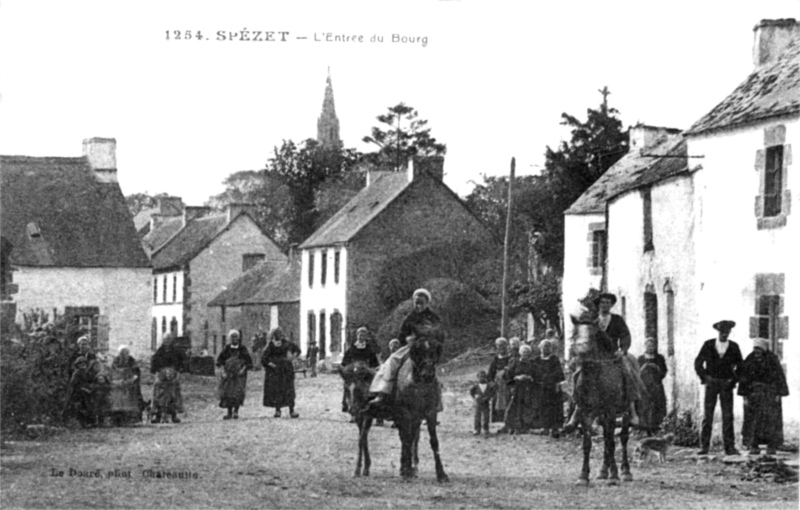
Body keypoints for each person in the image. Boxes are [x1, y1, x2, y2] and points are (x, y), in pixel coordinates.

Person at [564, 292, 643, 431]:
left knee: (628, 371)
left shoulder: (617, 319)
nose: (605, 305)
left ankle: (632, 411)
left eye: (608, 303)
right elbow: (584, 336)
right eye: (602, 303)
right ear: (598, 305)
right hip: (595, 355)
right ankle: (576, 410)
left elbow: (625, 335)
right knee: (578, 375)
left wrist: (622, 350)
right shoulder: (592, 320)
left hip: (613, 355)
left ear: (611, 305)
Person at [368, 288, 444, 407]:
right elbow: (402, 334)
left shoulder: (433, 318)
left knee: (433, 371)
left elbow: (440, 335)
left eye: (421, 303)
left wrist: (434, 344)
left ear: (427, 303)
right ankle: (382, 392)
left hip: (428, 348)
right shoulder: (410, 317)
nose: (418, 305)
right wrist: (407, 341)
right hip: (411, 347)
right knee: (392, 361)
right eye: (416, 302)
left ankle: (436, 403)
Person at [694, 320, 743, 455]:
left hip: (726, 385)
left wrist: (732, 380)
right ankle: (704, 447)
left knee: (728, 416)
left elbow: (741, 366)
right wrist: (705, 377)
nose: (724, 335)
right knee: (707, 415)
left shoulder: (734, 347)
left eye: (726, 332)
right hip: (711, 384)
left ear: (729, 333)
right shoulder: (708, 345)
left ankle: (729, 447)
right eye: (722, 332)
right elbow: (698, 363)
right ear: (718, 332)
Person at [738, 338, 789, 456]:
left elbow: (779, 378)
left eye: (759, 349)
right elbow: (744, 379)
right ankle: (753, 446)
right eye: (755, 349)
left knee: (771, 421)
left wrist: (778, 395)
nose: (756, 352)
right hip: (753, 395)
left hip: (769, 395)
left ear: (764, 350)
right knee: (753, 421)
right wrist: (745, 397)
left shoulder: (772, 359)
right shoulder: (749, 359)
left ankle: (771, 446)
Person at [261, 327, 301, 418]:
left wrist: (292, 357)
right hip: (276, 371)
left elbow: (297, 350)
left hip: (286, 370)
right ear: (274, 335)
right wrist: (271, 364)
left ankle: (292, 410)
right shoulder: (271, 345)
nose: (279, 335)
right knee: (277, 390)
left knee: (289, 390)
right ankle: (277, 410)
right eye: (277, 333)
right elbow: (264, 359)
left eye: (280, 333)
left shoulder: (287, 343)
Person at [341, 327, 381, 414]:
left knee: (374, 380)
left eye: (363, 335)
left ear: (366, 337)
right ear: (357, 336)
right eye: (360, 335)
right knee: (348, 382)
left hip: (365, 369)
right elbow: (345, 360)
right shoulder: (352, 348)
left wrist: (373, 367)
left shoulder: (369, 349)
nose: (361, 337)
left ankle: (374, 401)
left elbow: (374, 361)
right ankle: (345, 402)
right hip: (354, 368)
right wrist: (346, 366)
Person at [216, 329, 253, 420]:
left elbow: (248, 362)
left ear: (238, 338)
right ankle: (229, 412)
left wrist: (243, 369)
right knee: (228, 393)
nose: (234, 339)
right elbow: (220, 361)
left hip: (239, 374)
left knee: (237, 392)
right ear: (230, 338)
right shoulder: (227, 349)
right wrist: (223, 372)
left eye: (236, 337)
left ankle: (236, 411)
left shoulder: (242, 348)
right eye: (232, 337)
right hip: (228, 374)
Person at [150, 333, 187, 424]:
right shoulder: (159, 352)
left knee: (173, 395)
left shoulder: (176, 352)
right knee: (159, 395)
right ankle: (158, 415)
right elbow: (154, 364)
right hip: (161, 377)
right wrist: (157, 373)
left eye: (169, 340)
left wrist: (177, 373)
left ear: (172, 341)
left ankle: (174, 416)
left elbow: (181, 363)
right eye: (165, 339)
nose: (167, 341)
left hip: (173, 376)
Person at [531, 339, 565, 438]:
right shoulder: (536, 360)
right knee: (542, 406)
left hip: (552, 387)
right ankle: (544, 427)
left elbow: (559, 373)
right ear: (540, 348)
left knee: (554, 407)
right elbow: (534, 373)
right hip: (541, 387)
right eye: (544, 346)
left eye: (548, 347)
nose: (546, 348)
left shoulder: (554, 359)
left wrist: (557, 384)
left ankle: (554, 428)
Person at [637, 338, 668, 435]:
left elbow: (664, 372)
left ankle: (656, 428)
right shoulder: (640, 359)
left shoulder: (660, 358)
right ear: (645, 346)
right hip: (645, 386)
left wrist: (656, 368)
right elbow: (637, 373)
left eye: (652, 346)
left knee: (657, 406)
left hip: (656, 385)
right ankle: (645, 429)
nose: (650, 348)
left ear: (655, 347)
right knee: (645, 406)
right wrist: (643, 368)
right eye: (648, 346)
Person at [504, 344, 537, 434]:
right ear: (520, 353)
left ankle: (525, 426)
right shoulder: (515, 362)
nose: (525, 354)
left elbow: (536, 375)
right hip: (517, 387)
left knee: (526, 406)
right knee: (515, 406)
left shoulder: (532, 364)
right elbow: (508, 375)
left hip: (528, 388)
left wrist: (530, 378)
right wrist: (516, 378)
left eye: (527, 352)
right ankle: (512, 426)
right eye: (523, 352)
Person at [110, 345, 144, 424]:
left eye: (125, 353)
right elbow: (112, 373)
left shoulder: (132, 361)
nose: (123, 355)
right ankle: (117, 418)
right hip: (118, 383)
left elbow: (136, 374)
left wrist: (130, 380)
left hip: (130, 383)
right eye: (121, 353)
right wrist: (118, 381)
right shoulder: (115, 361)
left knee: (133, 394)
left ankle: (132, 418)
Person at [470, 370, 496, 437]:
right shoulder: (475, 386)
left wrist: (488, 397)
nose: (482, 378)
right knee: (477, 416)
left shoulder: (489, 385)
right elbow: (471, 392)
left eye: (484, 377)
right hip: (478, 403)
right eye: (480, 377)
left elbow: (492, 393)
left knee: (486, 416)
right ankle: (477, 429)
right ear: (477, 377)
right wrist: (475, 397)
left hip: (486, 403)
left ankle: (486, 429)